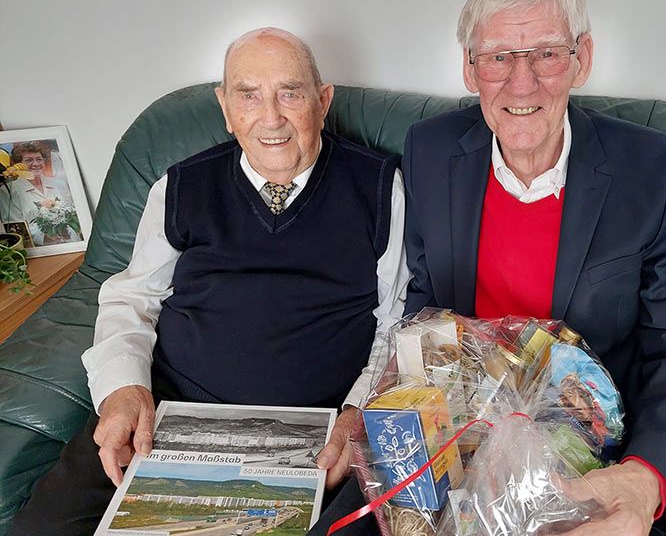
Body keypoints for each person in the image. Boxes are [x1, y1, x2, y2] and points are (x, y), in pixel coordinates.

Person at [9, 27, 408, 536]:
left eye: (290, 93)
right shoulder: (180, 185)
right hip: (171, 415)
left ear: (322, 100)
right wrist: (123, 391)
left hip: (320, 431)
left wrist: (358, 413)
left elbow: (398, 320)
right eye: (248, 95)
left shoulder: (377, 185)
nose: (271, 117)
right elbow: (132, 296)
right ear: (224, 106)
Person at [400, 0, 666, 534]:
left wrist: (646, 477)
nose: (521, 83)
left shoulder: (656, 170)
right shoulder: (429, 151)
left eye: (546, 54)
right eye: (499, 56)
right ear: (469, 67)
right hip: (453, 444)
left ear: (583, 58)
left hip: (583, 456)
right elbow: (424, 304)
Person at [5, 141, 79, 245]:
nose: (36, 164)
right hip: (41, 247)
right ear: (18, 164)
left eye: (39, 159)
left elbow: (73, 212)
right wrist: (44, 237)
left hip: (71, 240)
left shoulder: (58, 183)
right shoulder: (9, 190)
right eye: (29, 160)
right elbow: (14, 226)